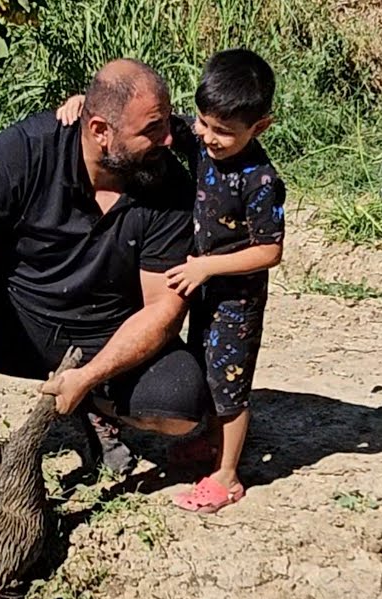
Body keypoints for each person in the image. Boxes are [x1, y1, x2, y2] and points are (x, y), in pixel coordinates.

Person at [0, 58, 211, 525]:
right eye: (152, 131)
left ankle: (95, 403)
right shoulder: (32, 148)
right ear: (100, 130)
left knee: (181, 403)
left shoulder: (167, 183)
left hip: (102, 333)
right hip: (13, 319)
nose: (168, 140)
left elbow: (162, 308)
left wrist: (91, 375)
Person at [56, 48, 285, 513]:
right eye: (203, 123)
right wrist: (87, 103)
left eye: (223, 132)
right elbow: (140, 123)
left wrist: (206, 267)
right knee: (203, 366)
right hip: (201, 290)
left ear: (259, 127)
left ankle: (227, 475)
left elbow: (270, 251)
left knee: (230, 387)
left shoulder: (261, 181)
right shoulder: (200, 138)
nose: (207, 136)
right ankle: (211, 443)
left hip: (234, 300)